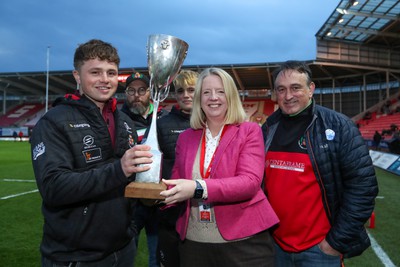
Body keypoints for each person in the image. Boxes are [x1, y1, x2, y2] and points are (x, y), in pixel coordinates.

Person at [30, 39, 153, 267]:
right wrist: (119, 169)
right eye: (95, 72)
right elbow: (53, 188)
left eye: (111, 72)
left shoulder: (125, 121)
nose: (105, 80)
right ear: (77, 76)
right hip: (75, 256)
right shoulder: (53, 122)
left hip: (123, 248)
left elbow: (131, 183)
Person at [262, 60, 379, 266]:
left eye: (295, 88)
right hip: (275, 247)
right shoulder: (268, 128)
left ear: (311, 89)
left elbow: (363, 187)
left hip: (319, 250)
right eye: (281, 89)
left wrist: (334, 243)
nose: (288, 96)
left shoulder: (339, 126)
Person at [160, 68, 279, 267]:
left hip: (244, 243)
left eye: (220, 91)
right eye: (207, 92)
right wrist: (155, 195)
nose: (213, 97)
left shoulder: (249, 131)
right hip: (194, 244)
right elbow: (176, 182)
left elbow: (249, 182)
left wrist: (198, 188)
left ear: (230, 96)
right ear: (199, 98)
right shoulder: (186, 137)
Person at [121, 71, 167, 267]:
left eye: (142, 90)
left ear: (150, 93)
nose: (136, 95)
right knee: (124, 253)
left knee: (158, 255)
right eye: (131, 90)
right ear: (125, 94)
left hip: (159, 201)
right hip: (128, 202)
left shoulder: (163, 119)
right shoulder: (117, 120)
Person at [156, 70, 198, 267]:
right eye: (180, 91)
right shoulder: (161, 125)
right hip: (171, 211)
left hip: (201, 208)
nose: (186, 95)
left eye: (191, 90)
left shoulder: (211, 122)